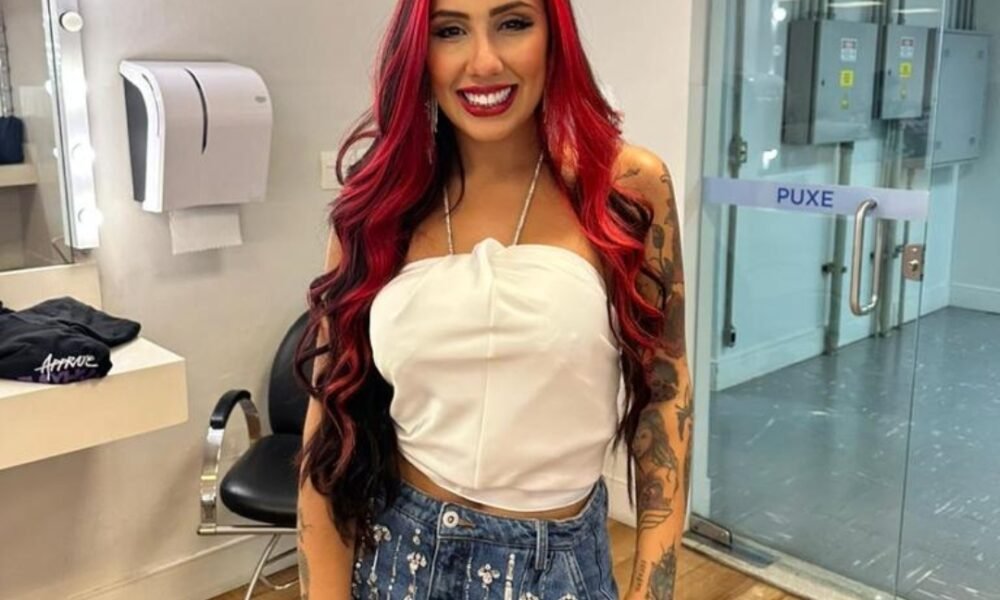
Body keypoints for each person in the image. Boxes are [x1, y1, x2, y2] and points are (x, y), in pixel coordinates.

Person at [293, 0, 692, 598]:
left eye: (512, 23)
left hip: (557, 571)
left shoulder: (626, 187)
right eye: (450, 30)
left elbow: (666, 391)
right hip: (397, 560)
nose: (483, 62)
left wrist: (652, 590)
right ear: (419, 51)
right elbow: (329, 418)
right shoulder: (378, 208)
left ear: (553, 35)